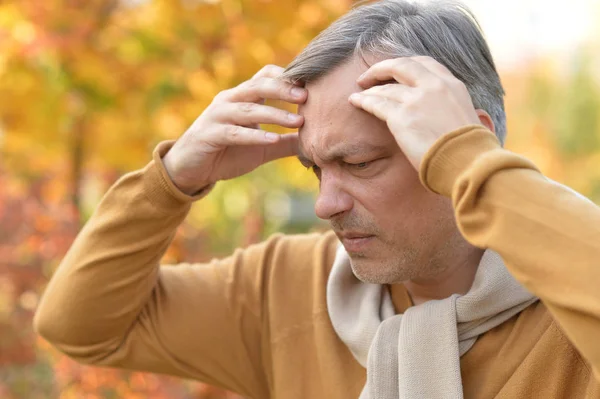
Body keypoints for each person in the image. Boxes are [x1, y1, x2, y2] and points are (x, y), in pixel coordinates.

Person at [34, 0, 600, 398]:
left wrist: (473, 163)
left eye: (358, 163)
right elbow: (77, 325)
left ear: (462, 142)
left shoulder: (570, 307)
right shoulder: (288, 288)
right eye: (314, 168)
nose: (327, 203)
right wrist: (173, 179)